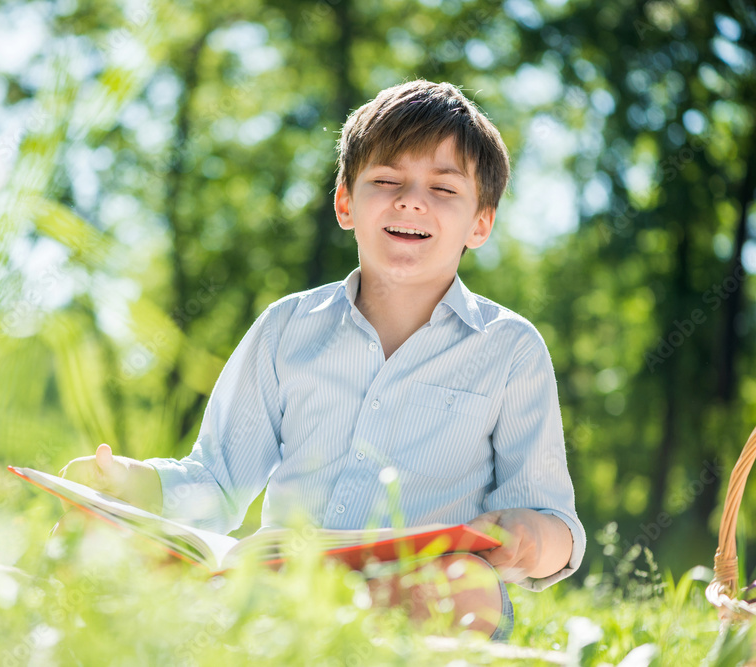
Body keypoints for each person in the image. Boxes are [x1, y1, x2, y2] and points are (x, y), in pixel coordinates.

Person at [58, 79, 585, 641]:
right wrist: (127, 483)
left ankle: (299, 629)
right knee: (97, 538)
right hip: (285, 575)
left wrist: (531, 535)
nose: (411, 200)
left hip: (420, 584)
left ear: (480, 223)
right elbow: (217, 478)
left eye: (443, 189)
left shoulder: (510, 349)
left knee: (465, 584)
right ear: (345, 203)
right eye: (386, 181)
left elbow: (554, 522)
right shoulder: (288, 329)